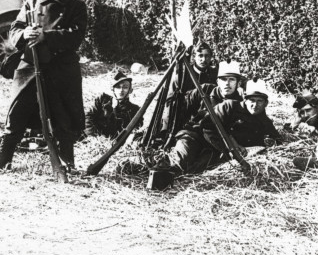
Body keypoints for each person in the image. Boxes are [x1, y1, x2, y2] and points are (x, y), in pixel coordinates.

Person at [0, 0, 87, 170]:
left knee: (63, 119)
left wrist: (45, 36)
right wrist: (25, 33)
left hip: (60, 68)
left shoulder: (76, 6)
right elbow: (14, 30)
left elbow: (76, 36)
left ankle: (67, 164)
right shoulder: (31, 3)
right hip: (31, 65)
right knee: (17, 114)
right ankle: (4, 162)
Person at [151, 78, 281, 178]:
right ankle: (150, 163)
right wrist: (231, 148)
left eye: (259, 101)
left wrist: (270, 141)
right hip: (195, 136)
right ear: (245, 100)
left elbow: (276, 138)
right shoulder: (229, 106)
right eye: (252, 100)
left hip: (214, 148)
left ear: (266, 103)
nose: (255, 105)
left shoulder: (263, 120)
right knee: (180, 162)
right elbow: (207, 127)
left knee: (196, 170)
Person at [160, 41, 218, 133]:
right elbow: (170, 101)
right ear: (194, 56)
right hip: (185, 113)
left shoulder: (214, 73)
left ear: (211, 57)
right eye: (200, 55)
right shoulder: (183, 75)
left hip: (208, 112)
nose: (203, 59)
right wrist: (166, 126)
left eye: (207, 56)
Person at [84, 70, 141, 138]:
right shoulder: (102, 100)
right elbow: (88, 118)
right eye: (118, 87)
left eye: (125, 87)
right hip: (96, 138)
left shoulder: (135, 109)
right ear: (113, 89)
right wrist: (94, 137)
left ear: (130, 90)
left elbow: (136, 128)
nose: (121, 90)